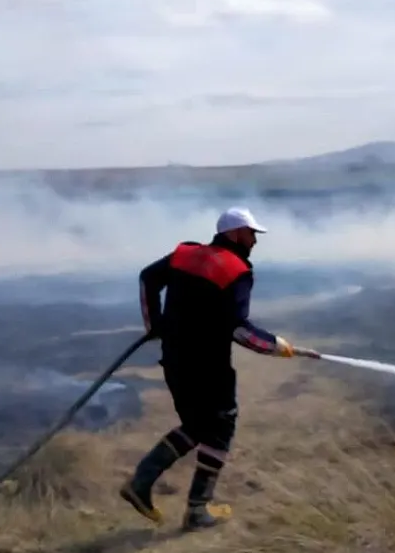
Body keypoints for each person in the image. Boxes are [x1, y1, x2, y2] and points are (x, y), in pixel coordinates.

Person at [119, 206, 296, 531]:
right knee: (221, 424)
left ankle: (144, 484)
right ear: (233, 233)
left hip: (174, 359)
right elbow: (238, 328)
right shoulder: (236, 270)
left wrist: (154, 325)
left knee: (199, 425)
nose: (254, 240)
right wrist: (275, 345)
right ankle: (194, 508)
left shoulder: (184, 254)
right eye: (250, 233)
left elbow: (148, 278)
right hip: (208, 366)